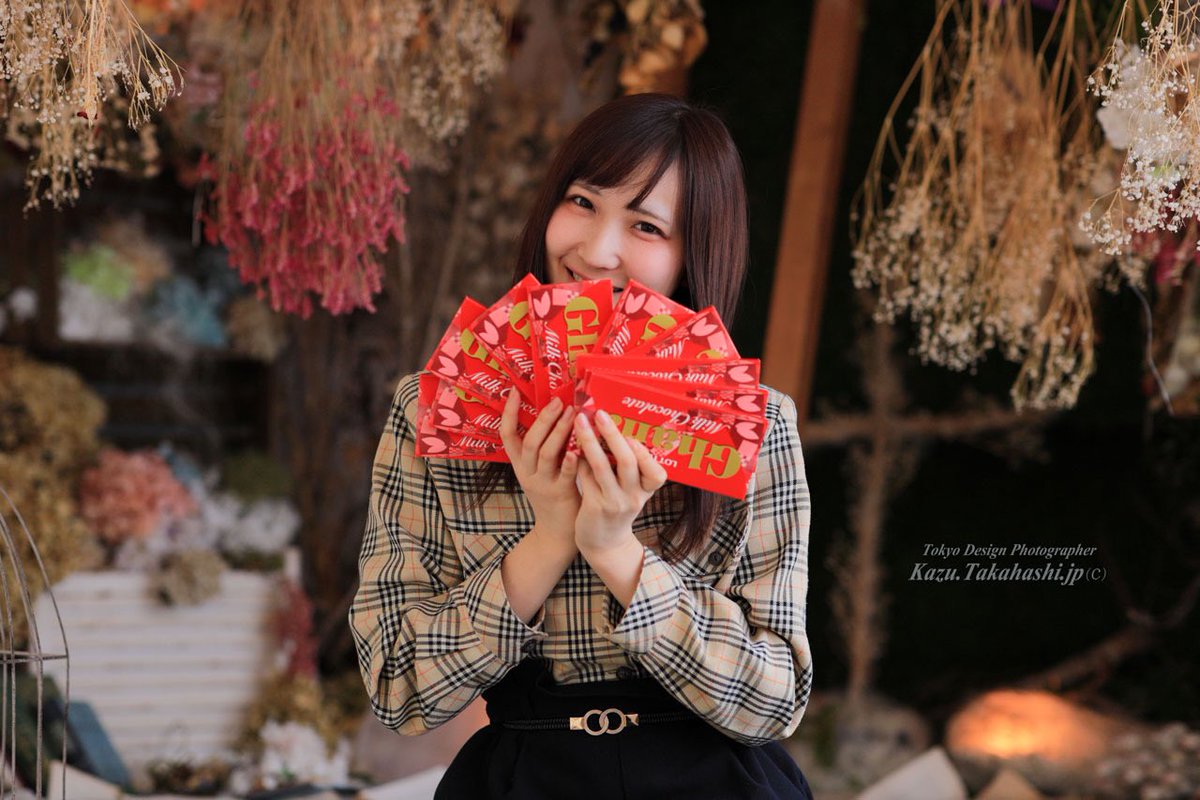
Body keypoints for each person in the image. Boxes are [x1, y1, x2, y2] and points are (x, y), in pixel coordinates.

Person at [350, 93, 814, 799]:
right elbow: (397, 687)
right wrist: (548, 539)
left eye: (646, 225)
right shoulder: (434, 407)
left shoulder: (758, 422)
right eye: (582, 202)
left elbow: (774, 702)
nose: (596, 252)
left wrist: (617, 551)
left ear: (694, 253)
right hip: (522, 778)